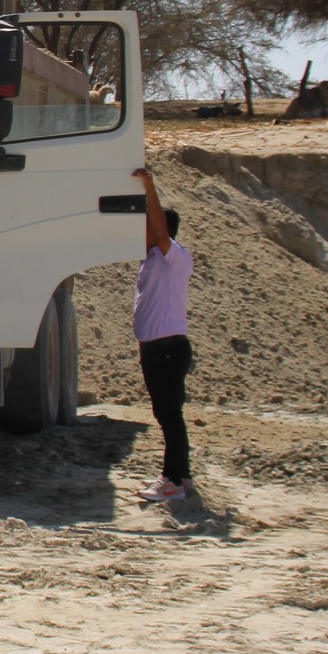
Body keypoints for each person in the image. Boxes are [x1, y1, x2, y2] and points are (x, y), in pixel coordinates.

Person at [133, 166, 194, 503]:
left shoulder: (175, 257)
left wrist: (148, 186)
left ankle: (171, 481)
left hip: (167, 349)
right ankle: (181, 476)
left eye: (146, 227)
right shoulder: (152, 259)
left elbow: (157, 227)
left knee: (169, 415)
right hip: (158, 348)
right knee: (169, 414)